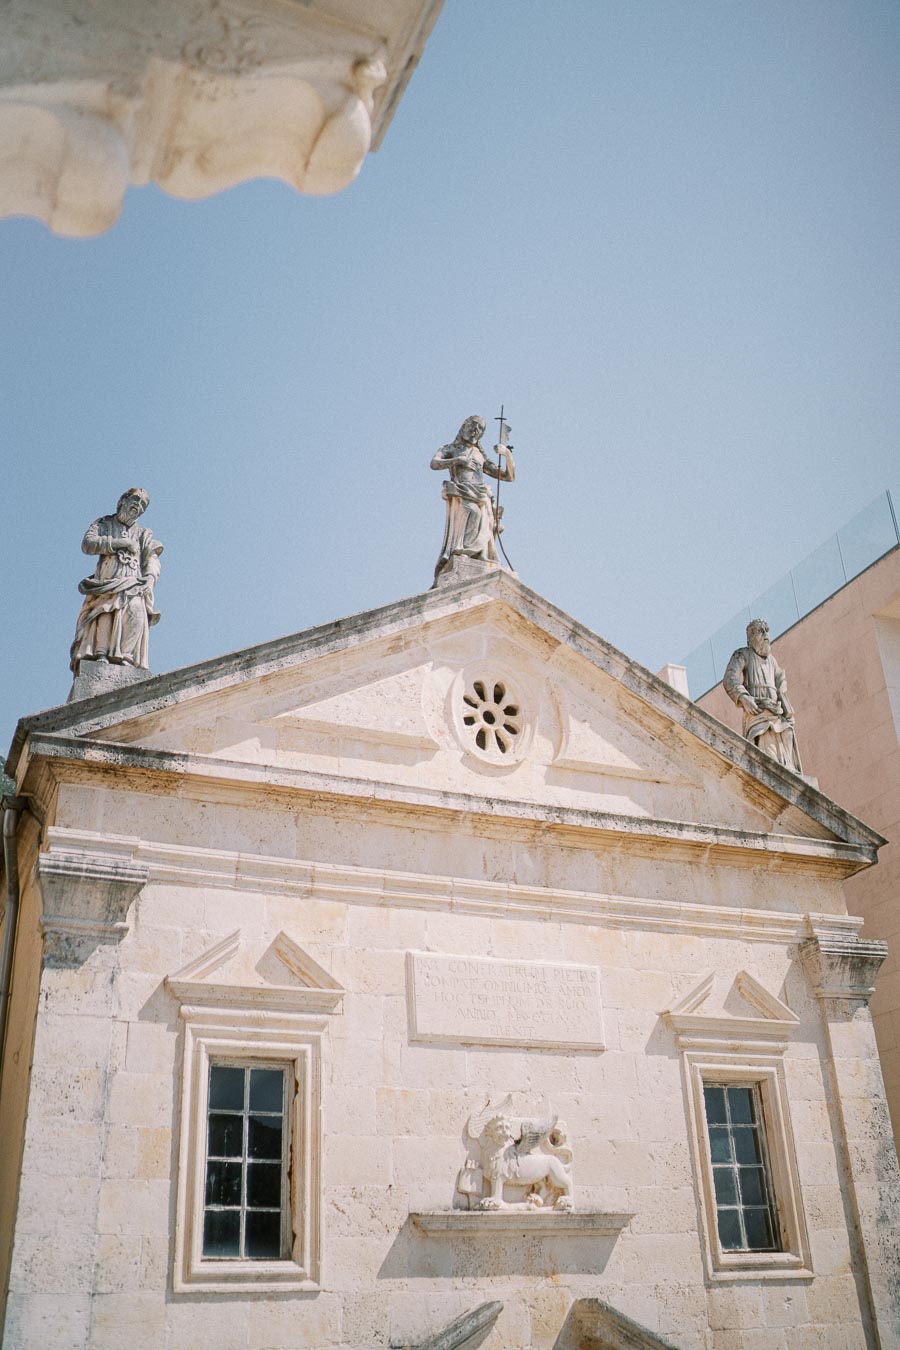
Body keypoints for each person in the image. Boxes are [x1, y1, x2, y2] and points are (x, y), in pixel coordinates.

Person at [70, 488, 163, 674]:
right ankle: (101, 655)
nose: (138, 505)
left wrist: (150, 578)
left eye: (143, 504)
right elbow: (88, 544)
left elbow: (152, 558)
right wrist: (118, 543)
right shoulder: (104, 523)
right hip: (107, 582)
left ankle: (127, 658)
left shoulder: (143, 534)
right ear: (123, 501)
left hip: (133, 583)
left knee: (136, 612)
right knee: (104, 613)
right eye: (136, 499)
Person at [430, 415, 515, 580]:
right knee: (473, 513)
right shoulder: (451, 449)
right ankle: (463, 552)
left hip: (481, 494)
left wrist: (507, 456)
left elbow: (507, 476)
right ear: (464, 427)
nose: (475, 430)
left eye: (480, 429)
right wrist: (458, 460)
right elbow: (434, 463)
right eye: (473, 425)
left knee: (484, 522)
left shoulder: (479, 454)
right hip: (462, 492)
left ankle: (477, 556)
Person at [723, 618, 802, 773]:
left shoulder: (772, 661)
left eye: (767, 630)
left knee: (787, 733)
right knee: (769, 757)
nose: (766, 634)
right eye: (760, 631)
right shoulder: (743, 654)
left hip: (776, 713)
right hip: (758, 713)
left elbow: (780, 681)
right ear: (750, 638)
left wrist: (785, 704)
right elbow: (730, 678)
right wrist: (744, 698)